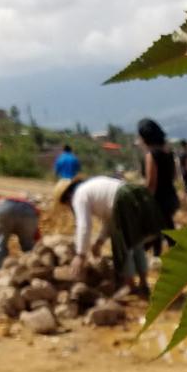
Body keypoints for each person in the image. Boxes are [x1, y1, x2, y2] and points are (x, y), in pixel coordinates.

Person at [54, 175, 165, 295]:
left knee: (122, 246)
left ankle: (130, 286)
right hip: (133, 195)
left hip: (123, 201)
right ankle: (143, 285)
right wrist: (99, 242)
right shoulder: (89, 187)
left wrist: (80, 255)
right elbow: (109, 219)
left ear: (67, 197)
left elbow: (84, 225)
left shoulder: (78, 196)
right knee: (135, 244)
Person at [138, 118, 178, 254]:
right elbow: (174, 176)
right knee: (165, 230)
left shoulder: (151, 155)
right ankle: (157, 256)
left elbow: (151, 183)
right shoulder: (168, 153)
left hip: (159, 201)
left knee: (158, 233)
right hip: (171, 197)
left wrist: (145, 202)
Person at [0, 196, 41, 270]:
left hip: (3, 208)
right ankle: (33, 272)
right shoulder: (29, 205)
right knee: (29, 247)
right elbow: (36, 235)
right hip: (27, 211)